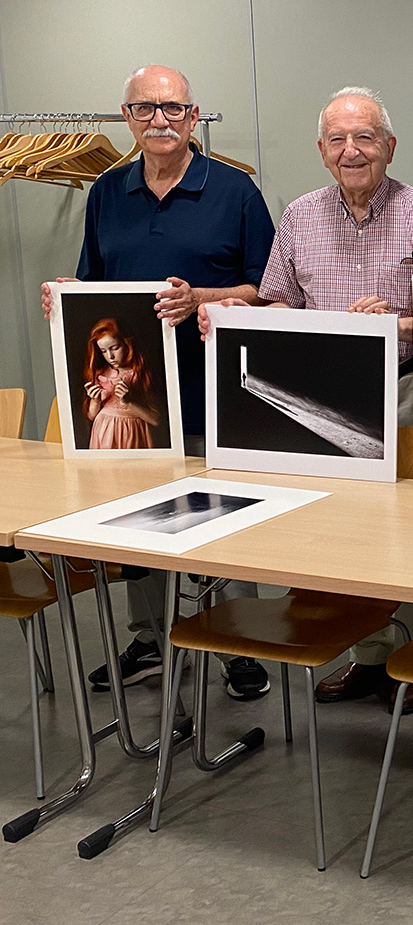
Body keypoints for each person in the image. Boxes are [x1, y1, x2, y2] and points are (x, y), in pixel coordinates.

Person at [200, 86, 413, 714]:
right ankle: (367, 655)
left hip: (409, 389)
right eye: (338, 140)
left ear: (389, 147)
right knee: (343, 534)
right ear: (321, 150)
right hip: (326, 399)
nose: (352, 150)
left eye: (365, 137)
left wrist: (397, 323)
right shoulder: (299, 218)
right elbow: (279, 303)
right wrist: (246, 311)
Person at [42, 64, 276, 700]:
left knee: (223, 513)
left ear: (193, 117)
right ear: (127, 119)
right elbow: (94, 283)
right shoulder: (107, 192)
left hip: (218, 386)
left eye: (172, 109)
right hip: (139, 395)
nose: (160, 120)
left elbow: (267, 291)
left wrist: (201, 295)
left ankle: (236, 640)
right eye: (145, 109)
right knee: (138, 517)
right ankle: (150, 635)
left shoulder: (236, 191)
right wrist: (65, 295)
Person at [83, 318, 160, 449]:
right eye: (103, 351)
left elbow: (155, 420)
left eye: (114, 348)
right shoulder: (101, 375)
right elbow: (91, 416)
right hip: (103, 432)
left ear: (127, 344)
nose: (110, 356)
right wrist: (95, 400)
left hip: (131, 434)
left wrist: (129, 402)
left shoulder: (139, 375)